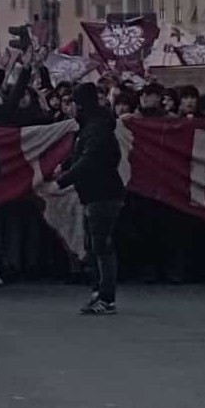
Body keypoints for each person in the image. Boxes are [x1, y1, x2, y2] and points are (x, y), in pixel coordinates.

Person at [56, 83, 127, 315]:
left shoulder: (96, 128)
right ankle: (99, 291)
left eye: (74, 103)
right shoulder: (92, 127)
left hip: (102, 193)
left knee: (102, 246)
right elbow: (82, 155)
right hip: (95, 193)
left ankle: (106, 297)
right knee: (94, 245)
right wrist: (66, 166)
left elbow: (89, 160)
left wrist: (63, 179)